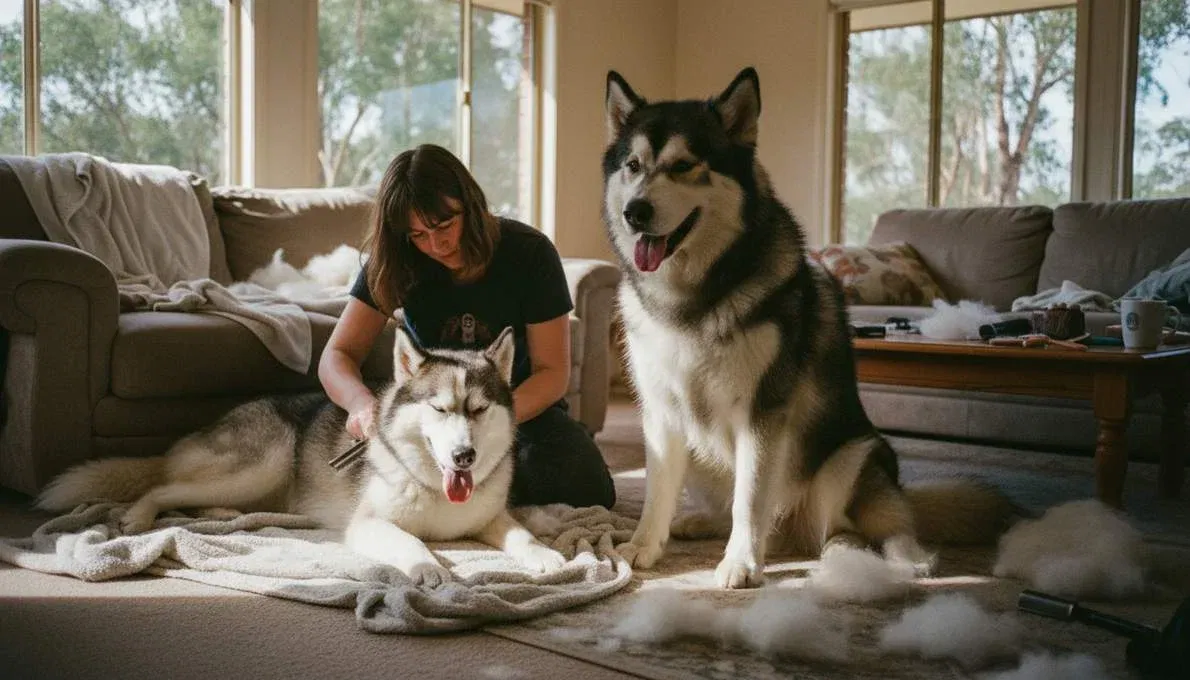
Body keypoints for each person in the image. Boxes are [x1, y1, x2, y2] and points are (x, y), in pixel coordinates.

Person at [318, 143, 616, 510]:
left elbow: (552, 374)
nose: (435, 244)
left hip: (518, 412)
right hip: (434, 417)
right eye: (417, 235)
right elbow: (337, 355)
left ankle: (479, 501)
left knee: (587, 486)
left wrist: (491, 424)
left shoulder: (530, 253)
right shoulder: (398, 260)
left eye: (445, 225)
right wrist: (361, 406)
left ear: (470, 204)